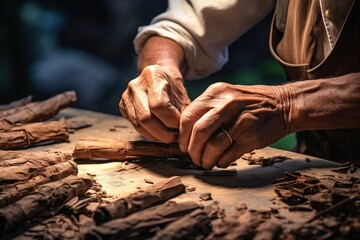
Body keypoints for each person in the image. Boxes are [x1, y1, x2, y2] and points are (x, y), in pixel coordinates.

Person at [120, 0, 360, 169]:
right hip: (314, 162)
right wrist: (160, 67)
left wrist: (287, 104)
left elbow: (285, 105)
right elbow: (183, 25)